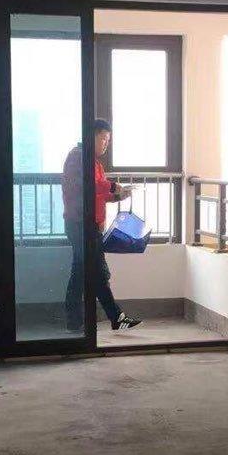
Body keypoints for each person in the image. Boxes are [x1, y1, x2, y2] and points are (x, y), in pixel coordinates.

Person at [61, 118, 142, 332]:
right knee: (96, 272)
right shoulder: (78, 157)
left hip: (90, 225)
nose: (106, 144)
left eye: (108, 140)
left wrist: (118, 196)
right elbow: (90, 184)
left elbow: (98, 194)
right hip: (80, 225)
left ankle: (76, 321)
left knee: (81, 272)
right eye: (103, 139)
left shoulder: (94, 162)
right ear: (92, 136)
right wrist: (114, 187)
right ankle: (115, 317)